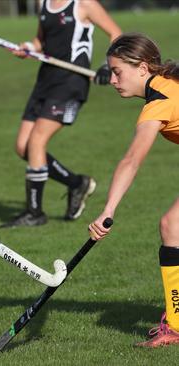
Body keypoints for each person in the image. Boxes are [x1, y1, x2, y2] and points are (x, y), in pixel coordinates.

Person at [88, 33, 179, 348]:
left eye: (117, 72)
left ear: (143, 67)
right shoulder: (168, 80)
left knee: (172, 226)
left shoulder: (158, 104)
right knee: (173, 227)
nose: (113, 80)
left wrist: (108, 210)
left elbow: (131, 161)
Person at [1, 0, 121, 228]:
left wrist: (108, 66)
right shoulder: (43, 3)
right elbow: (41, 41)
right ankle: (77, 183)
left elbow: (116, 33)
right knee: (23, 146)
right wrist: (28, 47)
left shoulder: (84, 4)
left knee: (37, 141)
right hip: (45, 81)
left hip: (71, 83)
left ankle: (34, 213)